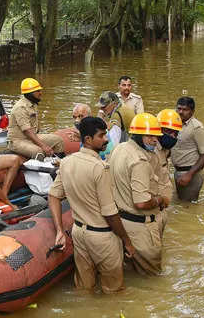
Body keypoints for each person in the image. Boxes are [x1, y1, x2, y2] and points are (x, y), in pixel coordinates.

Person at [49, 117, 135, 294]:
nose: (106, 139)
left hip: (79, 233)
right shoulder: (100, 168)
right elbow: (110, 213)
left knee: (83, 287)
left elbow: (53, 195)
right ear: (88, 139)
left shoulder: (66, 162)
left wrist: (59, 230)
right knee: (114, 290)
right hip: (102, 236)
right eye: (102, 135)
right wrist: (127, 241)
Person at [109, 113, 167, 276]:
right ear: (138, 135)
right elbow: (141, 203)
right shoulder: (139, 161)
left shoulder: (119, 148)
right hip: (139, 228)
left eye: (156, 136)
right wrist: (160, 199)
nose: (155, 140)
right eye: (150, 136)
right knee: (153, 277)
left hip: (121, 223)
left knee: (131, 273)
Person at [7, 78, 64, 159]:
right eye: (38, 91)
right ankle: (42, 169)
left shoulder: (33, 104)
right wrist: (43, 146)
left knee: (58, 140)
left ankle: (59, 164)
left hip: (32, 137)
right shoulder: (20, 108)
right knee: (38, 152)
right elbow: (27, 131)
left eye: (40, 90)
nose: (41, 93)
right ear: (29, 94)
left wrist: (41, 141)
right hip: (18, 141)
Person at [170, 97, 204, 202]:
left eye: (185, 109)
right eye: (178, 109)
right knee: (181, 204)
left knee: (188, 206)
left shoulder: (197, 128)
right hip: (179, 171)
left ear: (192, 111)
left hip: (191, 173)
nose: (180, 112)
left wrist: (189, 175)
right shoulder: (175, 124)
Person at [154, 109, 183, 235]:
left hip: (161, 206)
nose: (173, 137)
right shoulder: (151, 152)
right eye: (169, 132)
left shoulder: (165, 149)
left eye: (175, 133)